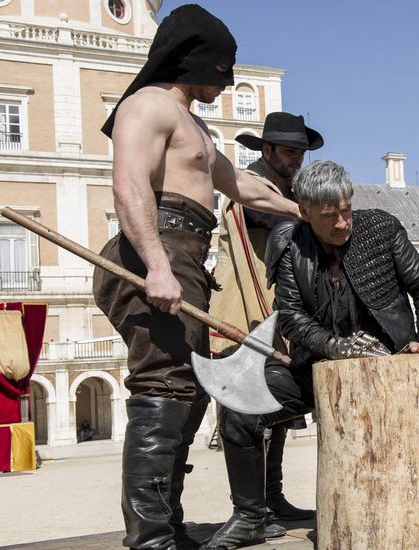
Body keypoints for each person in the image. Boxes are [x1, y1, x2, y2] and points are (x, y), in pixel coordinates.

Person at [92, 6, 301, 549]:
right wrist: (157, 266)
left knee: (187, 394)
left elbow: (246, 189)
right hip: (155, 250)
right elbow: (129, 183)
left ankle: (167, 529)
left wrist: (307, 213)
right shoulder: (148, 105)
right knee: (164, 388)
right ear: (193, 60)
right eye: (220, 71)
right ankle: (151, 540)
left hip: (184, 252)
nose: (224, 84)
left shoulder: (197, 127)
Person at [204, 160, 419, 549]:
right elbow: (293, 319)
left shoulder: (381, 229)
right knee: (241, 406)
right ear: (304, 210)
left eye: (346, 211)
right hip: (317, 370)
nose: (341, 224)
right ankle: (250, 517)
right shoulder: (288, 243)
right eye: (329, 216)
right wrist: (333, 347)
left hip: (394, 368)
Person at [209, 112, 324, 528]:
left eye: (301, 153)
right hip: (247, 311)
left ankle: (271, 497)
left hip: (276, 313)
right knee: (249, 412)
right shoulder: (253, 187)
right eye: (291, 151)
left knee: (273, 412)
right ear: (267, 150)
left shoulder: (287, 188)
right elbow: (276, 222)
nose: (297, 159)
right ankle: (252, 508)